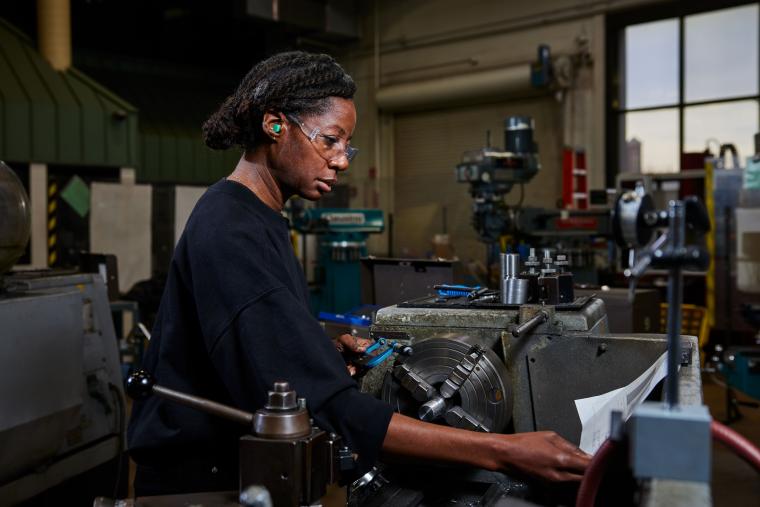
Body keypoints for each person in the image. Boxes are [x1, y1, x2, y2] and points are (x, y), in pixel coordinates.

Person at [127, 51, 590, 497]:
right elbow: (329, 411)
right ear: (275, 124)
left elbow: (246, 348)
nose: (343, 160)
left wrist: (318, 354)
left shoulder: (256, 216)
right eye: (330, 140)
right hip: (198, 482)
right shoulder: (230, 231)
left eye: (349, 145)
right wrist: (503, 451)